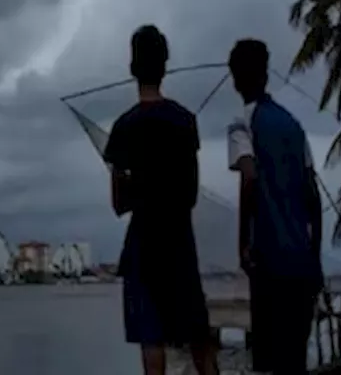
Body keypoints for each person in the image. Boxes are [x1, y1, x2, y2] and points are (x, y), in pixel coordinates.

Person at [105, 25, 219, 375]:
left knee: (152, 344)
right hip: (179, 243)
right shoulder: (185, 121)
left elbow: (118, 204)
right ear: (165, 65)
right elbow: (191, 193)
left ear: (131, 67)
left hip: (142, 246)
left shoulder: (123, 127)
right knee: (199, 341)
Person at [226, 39, 323, 374]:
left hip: (269, 262)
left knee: (268, 364)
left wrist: (242, 245)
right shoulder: (294, 127)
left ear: (235, 79)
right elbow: (313, 196)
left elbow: (249, 178)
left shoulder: (242, 125)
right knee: (295, 362)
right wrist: (316, 258)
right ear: (266, 75)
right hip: (303, 264)